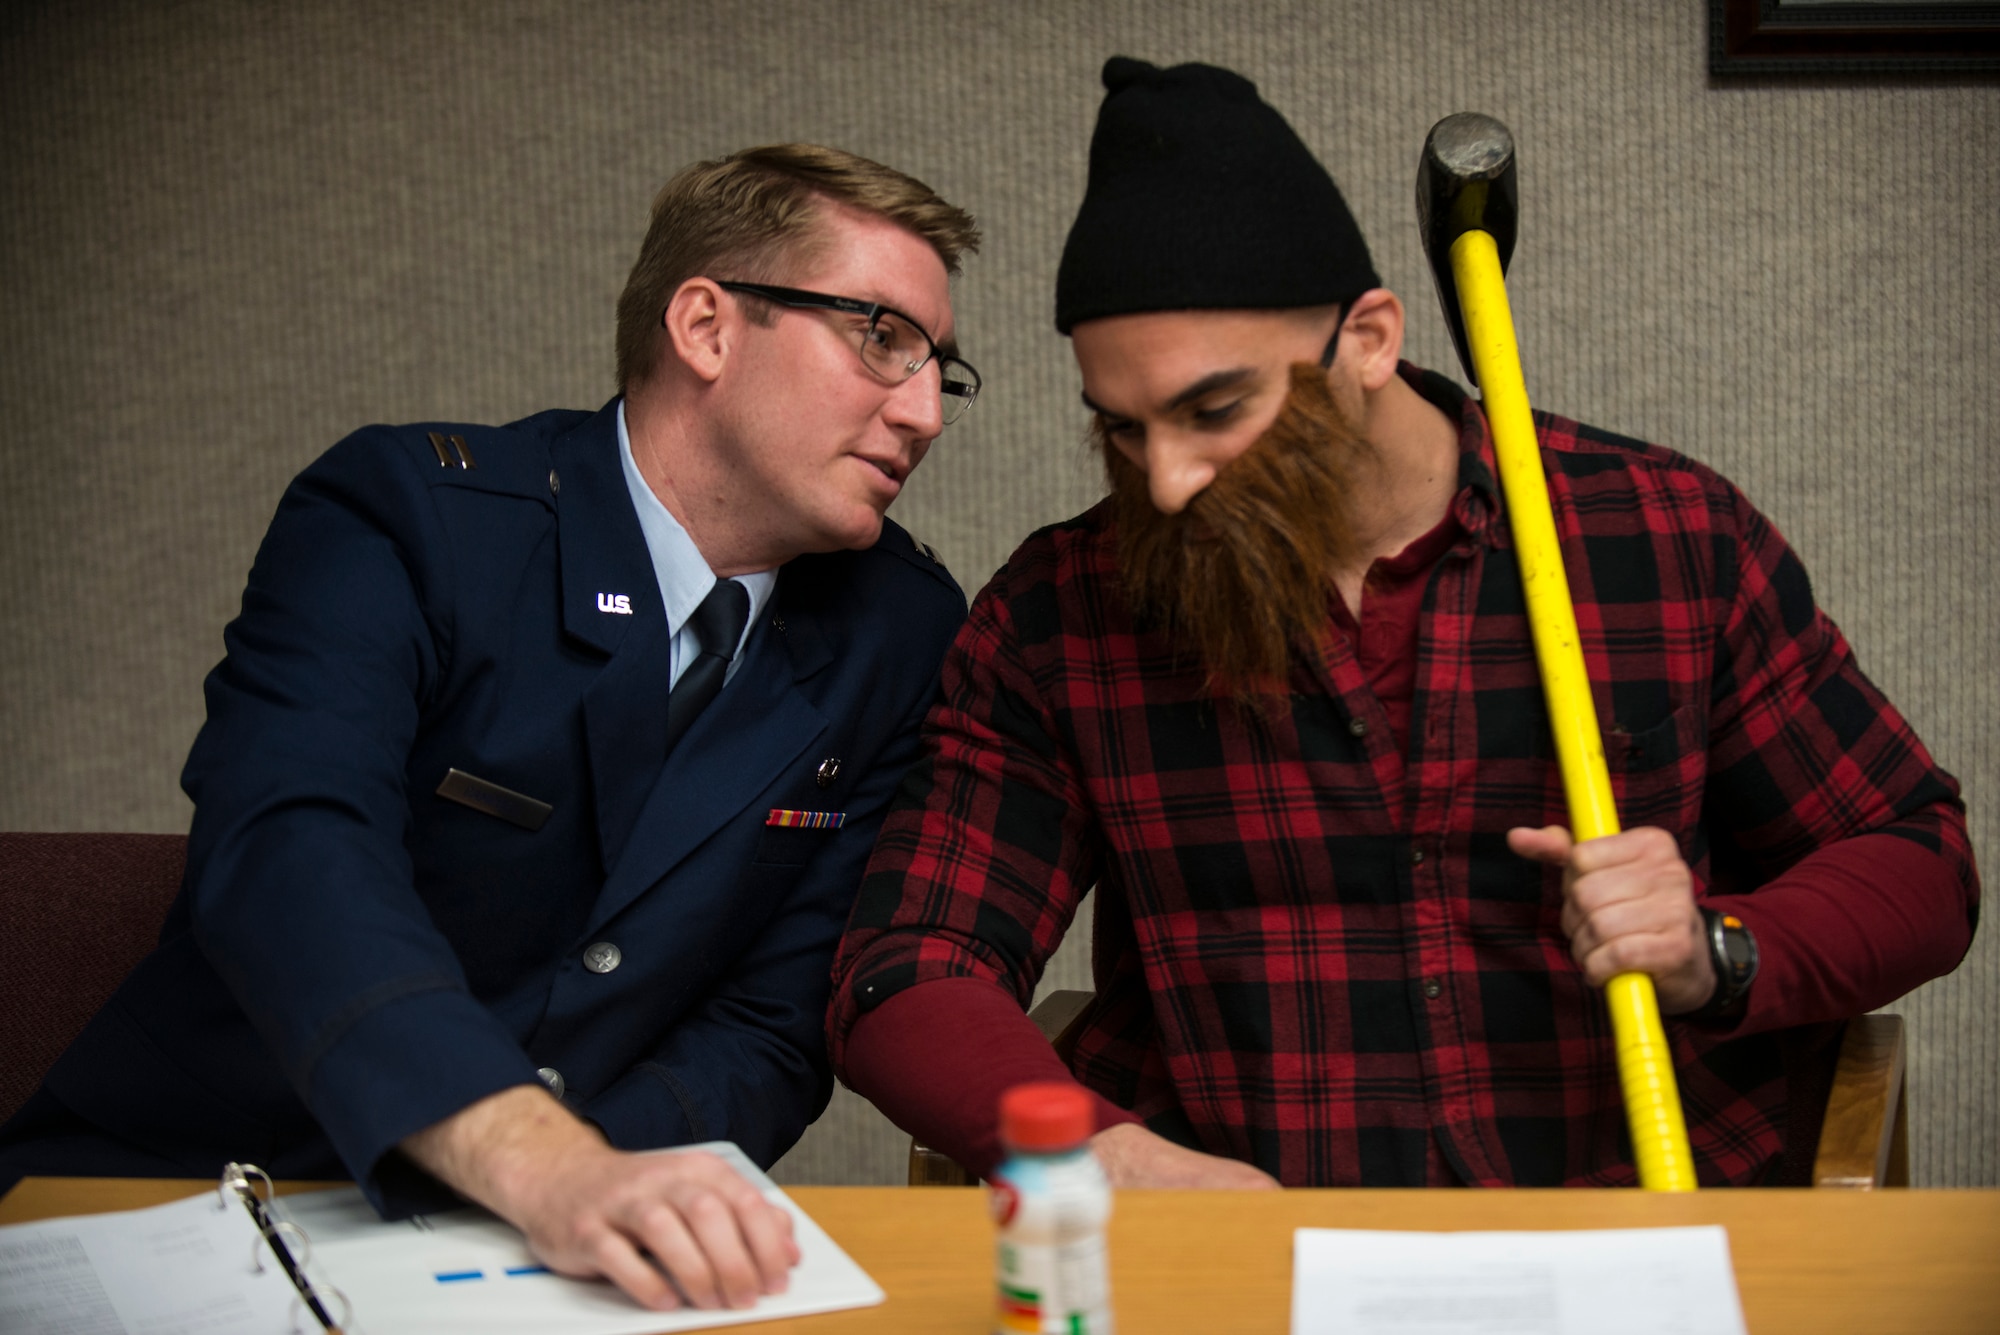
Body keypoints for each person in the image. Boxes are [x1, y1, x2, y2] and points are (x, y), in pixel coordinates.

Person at [827, 59, 1978, 1191]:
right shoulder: (1061, 609)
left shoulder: (1660, 534)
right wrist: (1098, 1158)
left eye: (1213, 409)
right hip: (1250, 1255)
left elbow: (1917, 862)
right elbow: (904, 966)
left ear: (1368, 339)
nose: (1167, 480)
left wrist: (1717, 953)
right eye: (1121, 428)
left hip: (1627, 1233)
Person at [0, 144, 978, 1311]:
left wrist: (591, 1194)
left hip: (556, 1252)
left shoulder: (896, 628)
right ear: (708, 327)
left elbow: (770, 1025)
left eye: (938, 369)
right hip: (205, 1194)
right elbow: (289, 849)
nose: (920, 410)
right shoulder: (413, 517)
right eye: (879, 338)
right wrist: (527, 1159)